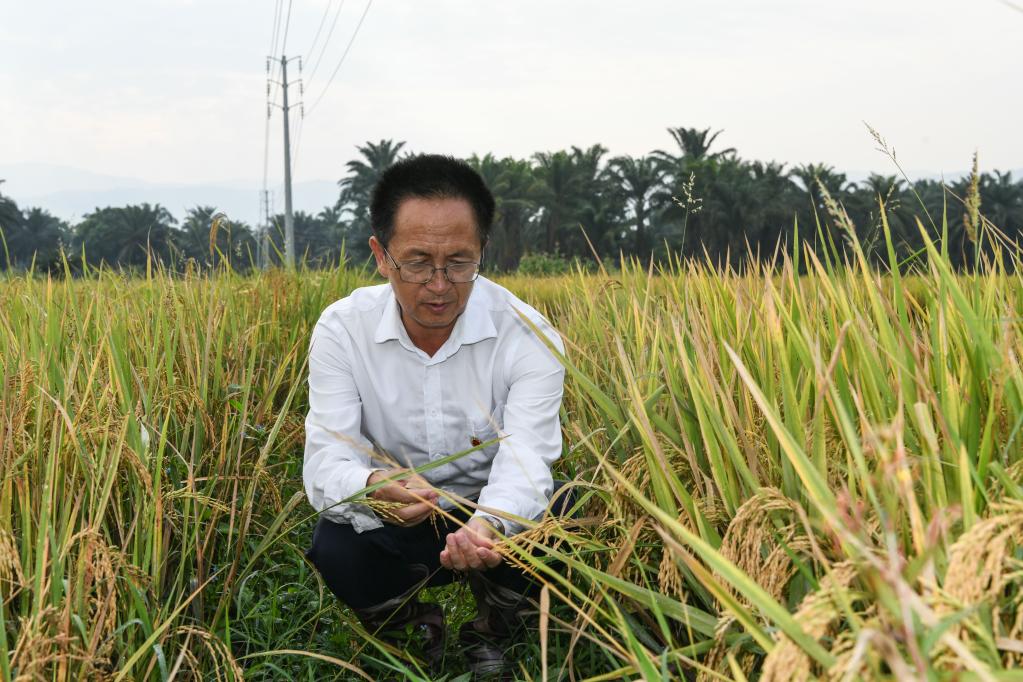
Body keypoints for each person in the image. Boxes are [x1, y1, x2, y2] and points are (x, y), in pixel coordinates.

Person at [303, 154, 568, 674]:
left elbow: (527, 456)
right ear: (381, 256)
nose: (440, 285)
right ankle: (411, 628)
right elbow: (325, 460)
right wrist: (374, 484)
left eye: (460, 262)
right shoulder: (342, 330)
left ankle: (495, 629)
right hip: (401, 512)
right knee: (335, 541)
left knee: (559, 513)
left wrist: (489, 526)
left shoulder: (528, 335)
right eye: (418, 262)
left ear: (482, 252)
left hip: (491, 516)